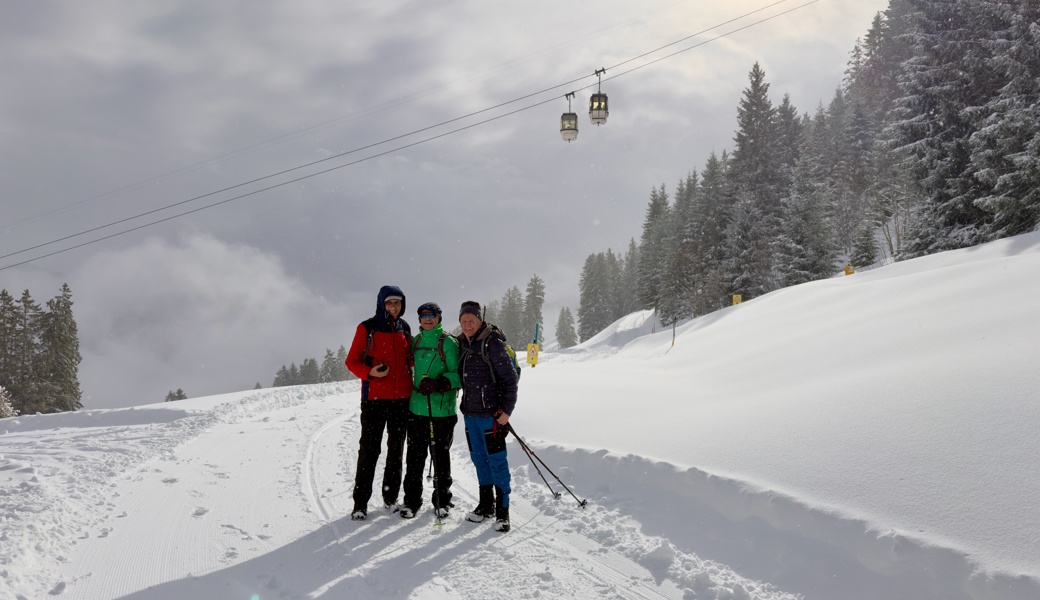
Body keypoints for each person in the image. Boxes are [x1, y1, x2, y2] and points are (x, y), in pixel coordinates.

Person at [344, 285, 414, 520]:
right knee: (369, 451)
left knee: (396, 451)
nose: (394, 307)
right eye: (389, 303)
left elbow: (409, 359)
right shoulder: (367, 328)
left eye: (398, 303)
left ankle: (390, 498)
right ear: (381, 304)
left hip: (402, 400)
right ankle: (360, 503)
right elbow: (351, 361)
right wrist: (370, 372)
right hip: (374, 400)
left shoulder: (405, 328)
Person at [456, 300, 518, 532]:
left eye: (471, 320)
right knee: (479, 460)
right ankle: (486, 505)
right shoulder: (463, 344)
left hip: (492, 417)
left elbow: (510, 380)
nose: (467, 325)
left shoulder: (492, 343)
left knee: (497, 463)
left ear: (480, 320)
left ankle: (503, 513)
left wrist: (507, 411)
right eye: (463, 321)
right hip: (470, 415)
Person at [400, 302, 461, 519]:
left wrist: (439, 383)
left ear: (438, 317)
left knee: (440, 457)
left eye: (432, 314)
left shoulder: (448, 343)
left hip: (442, 412)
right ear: (419, 319)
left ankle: (442, 500)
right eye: (423, 315)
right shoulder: (416, 341)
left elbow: (458, 374)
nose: (427, 318)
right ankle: (411, 501)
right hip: (417, 409)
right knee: (414, 458)